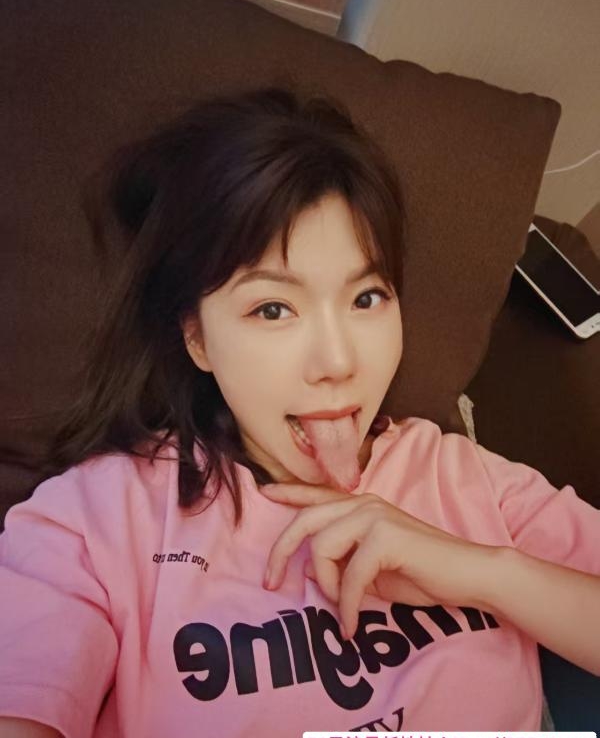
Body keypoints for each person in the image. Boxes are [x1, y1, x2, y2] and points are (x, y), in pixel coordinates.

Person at [0, 86, 598, 738]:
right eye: (273, 309)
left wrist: (486, 572)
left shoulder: (464, 478)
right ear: (197, 338)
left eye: (366, 298)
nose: (338, 362)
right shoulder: (97, 522)